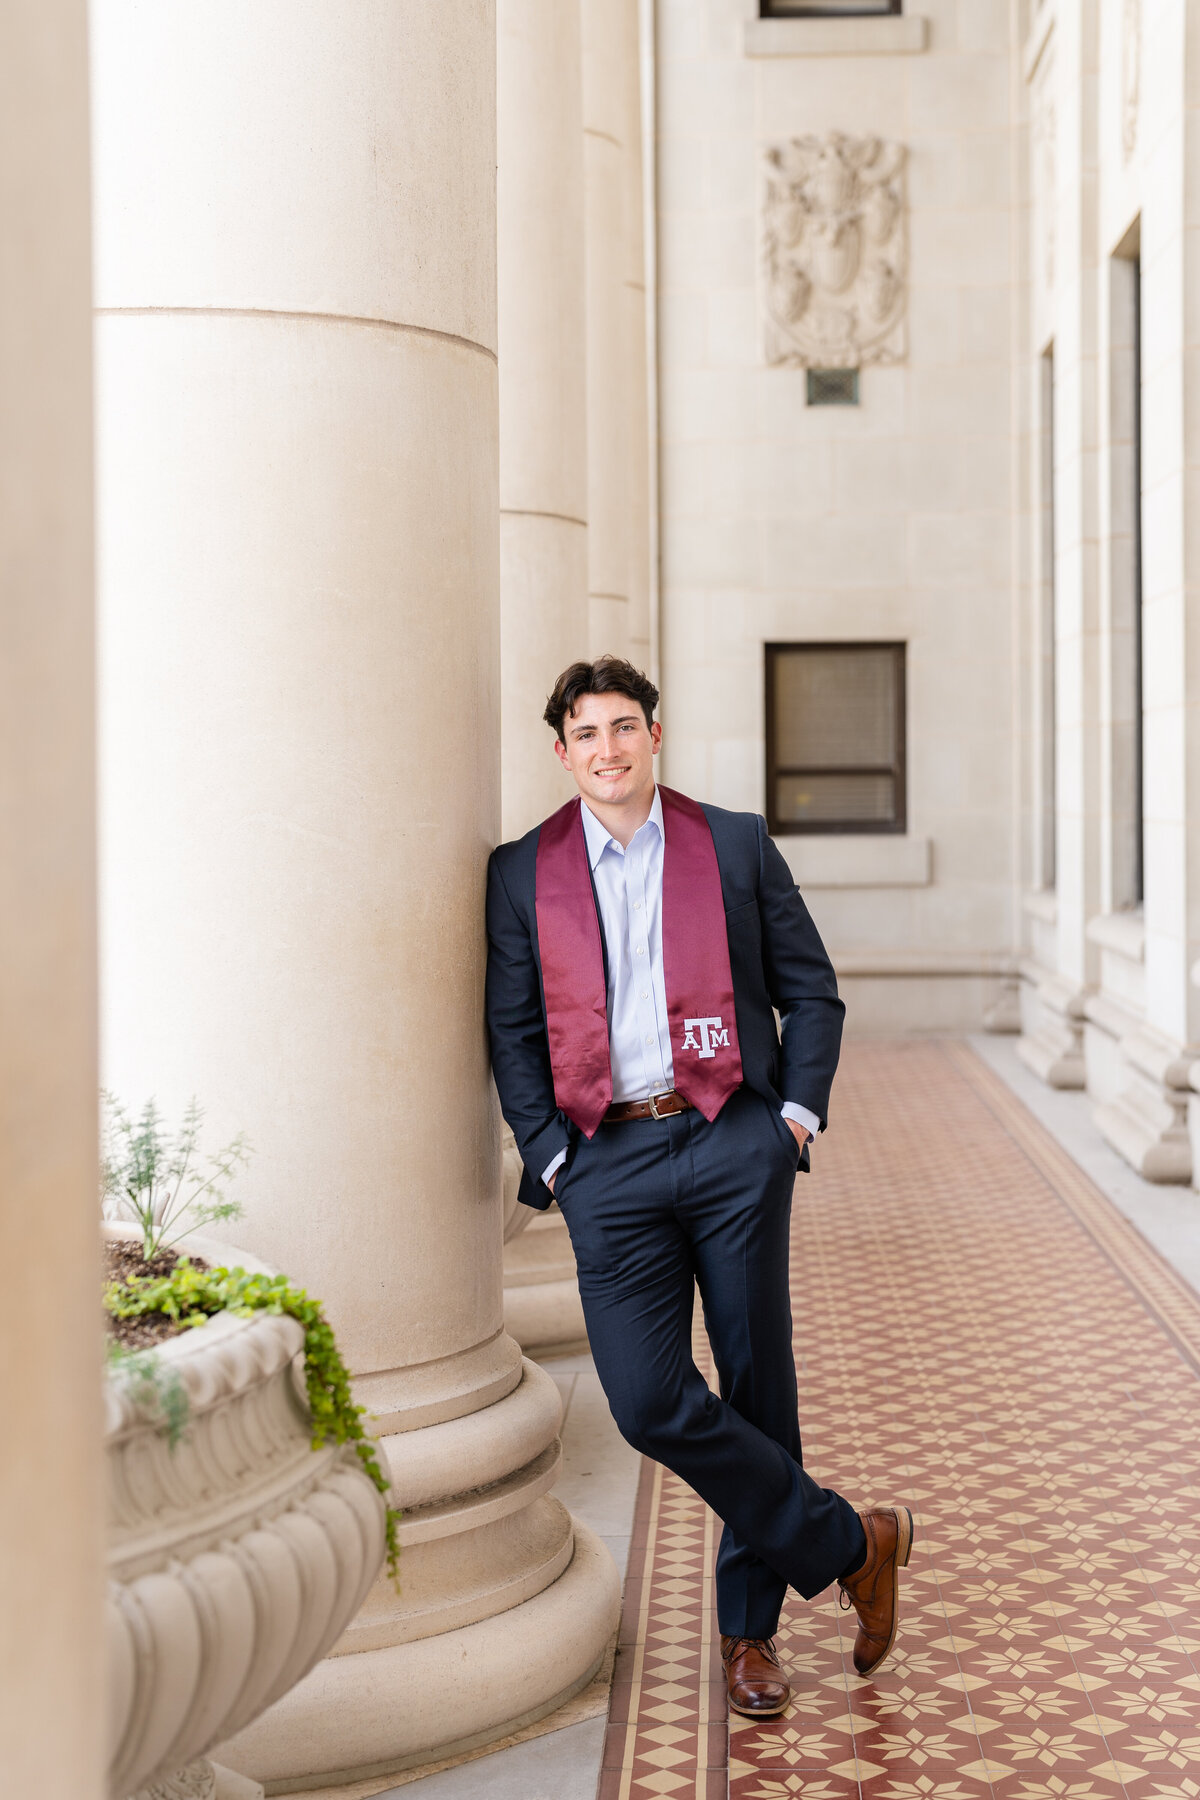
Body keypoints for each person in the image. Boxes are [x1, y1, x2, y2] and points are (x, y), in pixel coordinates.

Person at [485, 655, 913, 1716]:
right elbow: (511, 1031)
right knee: (646, 1399)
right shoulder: (519, 874)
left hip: (730, 1139)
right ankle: (854, 1542)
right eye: (587, 734)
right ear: (562, 752)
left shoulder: (730, 843)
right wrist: (552, 1156)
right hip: (606, 1160)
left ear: (654, 735)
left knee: (758, 1381)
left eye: (624, 727)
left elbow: (812, 991)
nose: (609, 749)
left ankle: (748, 1634)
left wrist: (792, 1123)